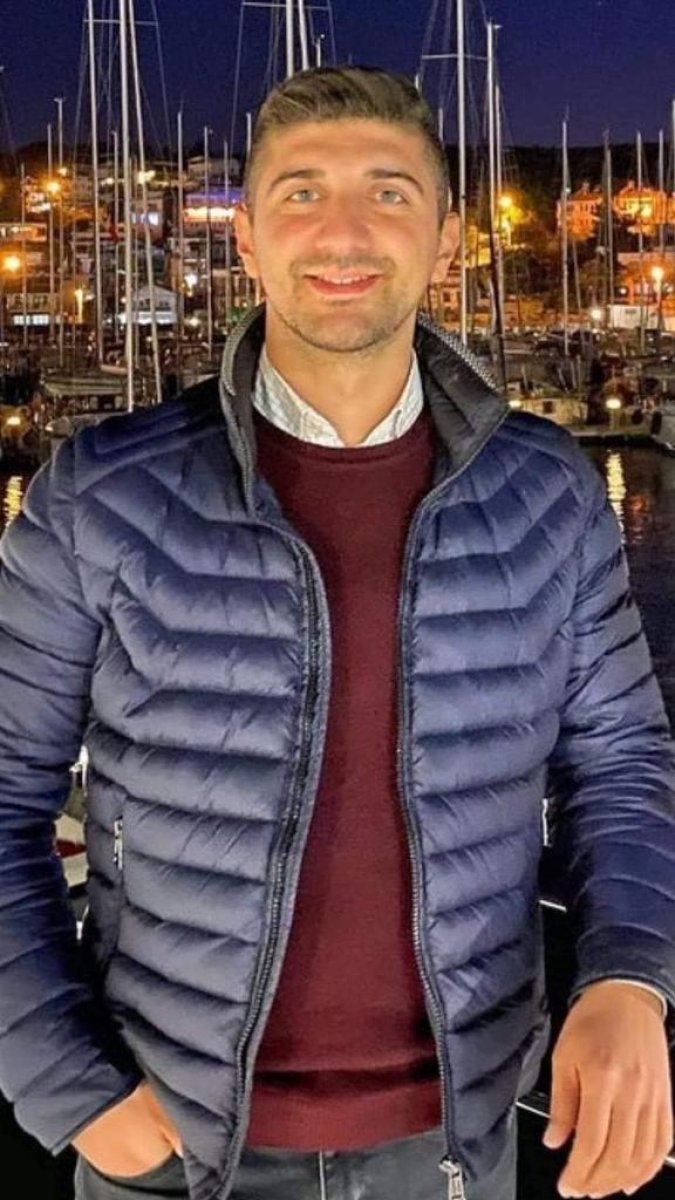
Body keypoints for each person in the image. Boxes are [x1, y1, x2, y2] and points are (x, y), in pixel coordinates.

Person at [0, 66, 673, 1200]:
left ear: (447, 239)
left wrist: (627, 979)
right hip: (170, 1150)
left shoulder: (547, 494)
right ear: (248, 241)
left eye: (389, 193)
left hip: (455, 1146)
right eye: (301, 192)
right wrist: (71, 1090)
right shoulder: (101, 496)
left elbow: (620, 764)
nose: (345, 231)